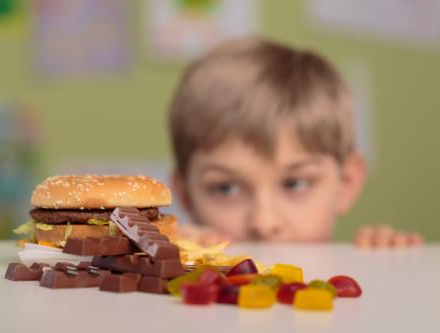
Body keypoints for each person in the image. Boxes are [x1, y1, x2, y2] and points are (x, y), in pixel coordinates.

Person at [168, 37, 422, 247]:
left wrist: (393, 269)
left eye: (295, 184)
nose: (264, 224)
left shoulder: (376, 263)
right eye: (226, 189)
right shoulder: (178, 284)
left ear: (346, 184)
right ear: (186, 196)